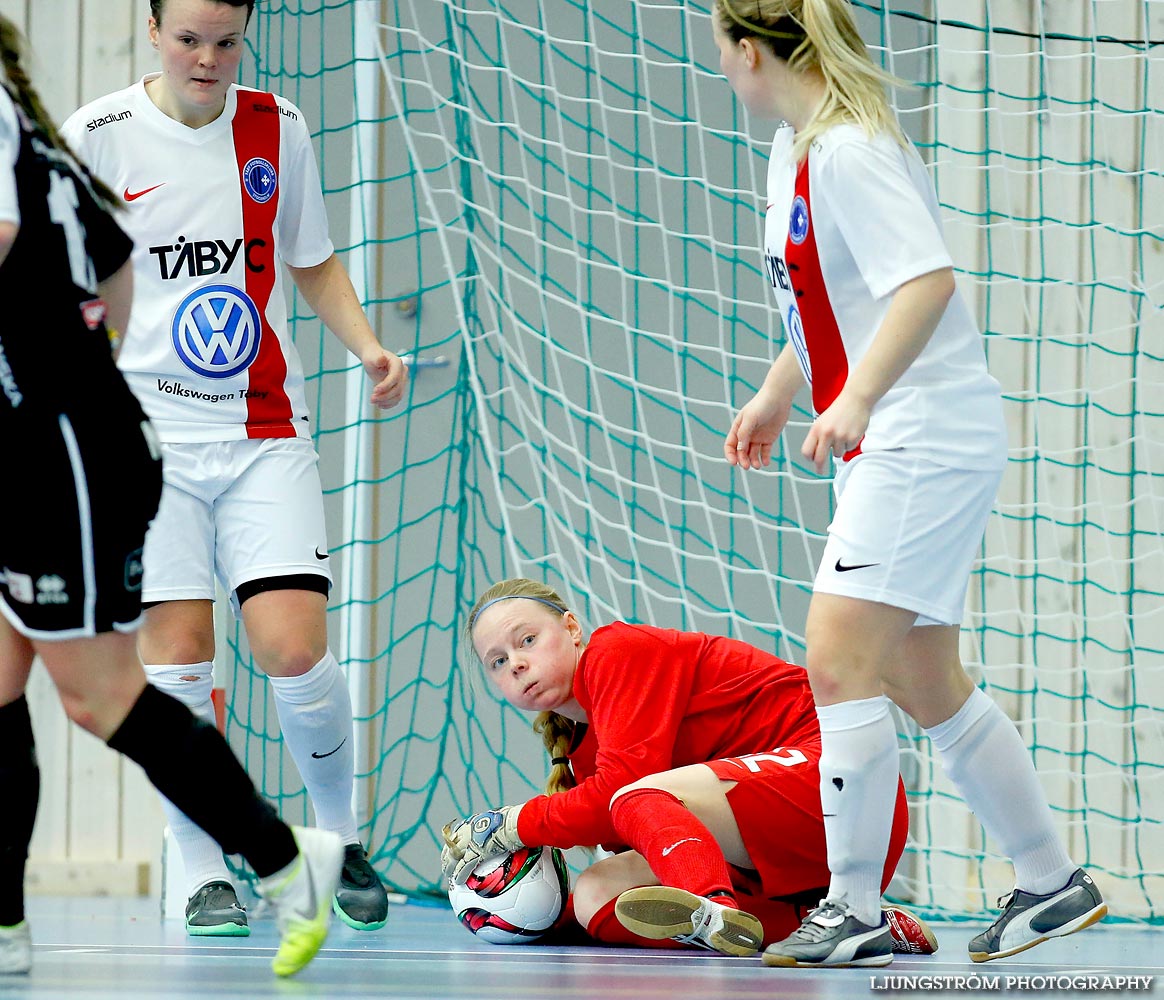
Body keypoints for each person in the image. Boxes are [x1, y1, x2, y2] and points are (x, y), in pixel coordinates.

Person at [713, 0, 1106, 969]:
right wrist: (778, 392)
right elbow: (827, 300)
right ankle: (1052, 879)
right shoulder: (792, 155)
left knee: (836, 652)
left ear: (751, 50)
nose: (723, 70)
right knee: (919, 675)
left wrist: (857, 402)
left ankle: (854, 905)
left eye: (722, 53)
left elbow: (923, 282)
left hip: (925, 430)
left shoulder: (849, 149)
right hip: (894, 434)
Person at [0, 14, 343, 979]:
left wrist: (70, 379)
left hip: (64, 448)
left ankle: (288, 863)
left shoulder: (2, 125)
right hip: (63, 430)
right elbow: (112, 260)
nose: (205, 57)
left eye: (222, 39)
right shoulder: (64, 134)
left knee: (100, 693)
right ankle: (9, 927)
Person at [60, 0, 406, 937]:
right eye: (188, 39)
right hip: (147, 442)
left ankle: (337, 839)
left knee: (292, 647)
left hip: (261, 430)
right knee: (178, 660)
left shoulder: (275, 128)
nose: (207, 59)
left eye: (225, 41)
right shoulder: (96, 137)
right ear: (151, 30)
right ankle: (202, 863)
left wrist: (369, 347)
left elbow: (314, 262)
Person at [440, 578, 939, 959]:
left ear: (572, 628)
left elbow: (621, 795)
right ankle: (836, 919)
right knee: (596, 892)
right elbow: (643, 835)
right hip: (780, 841)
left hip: (841, 785)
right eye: (498, 662)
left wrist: (506, 825)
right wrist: (537, 914)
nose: (516, 665)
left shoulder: (616, 652)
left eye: (527, 640)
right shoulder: (582, 749)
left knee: (634, 795)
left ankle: (717, 912)